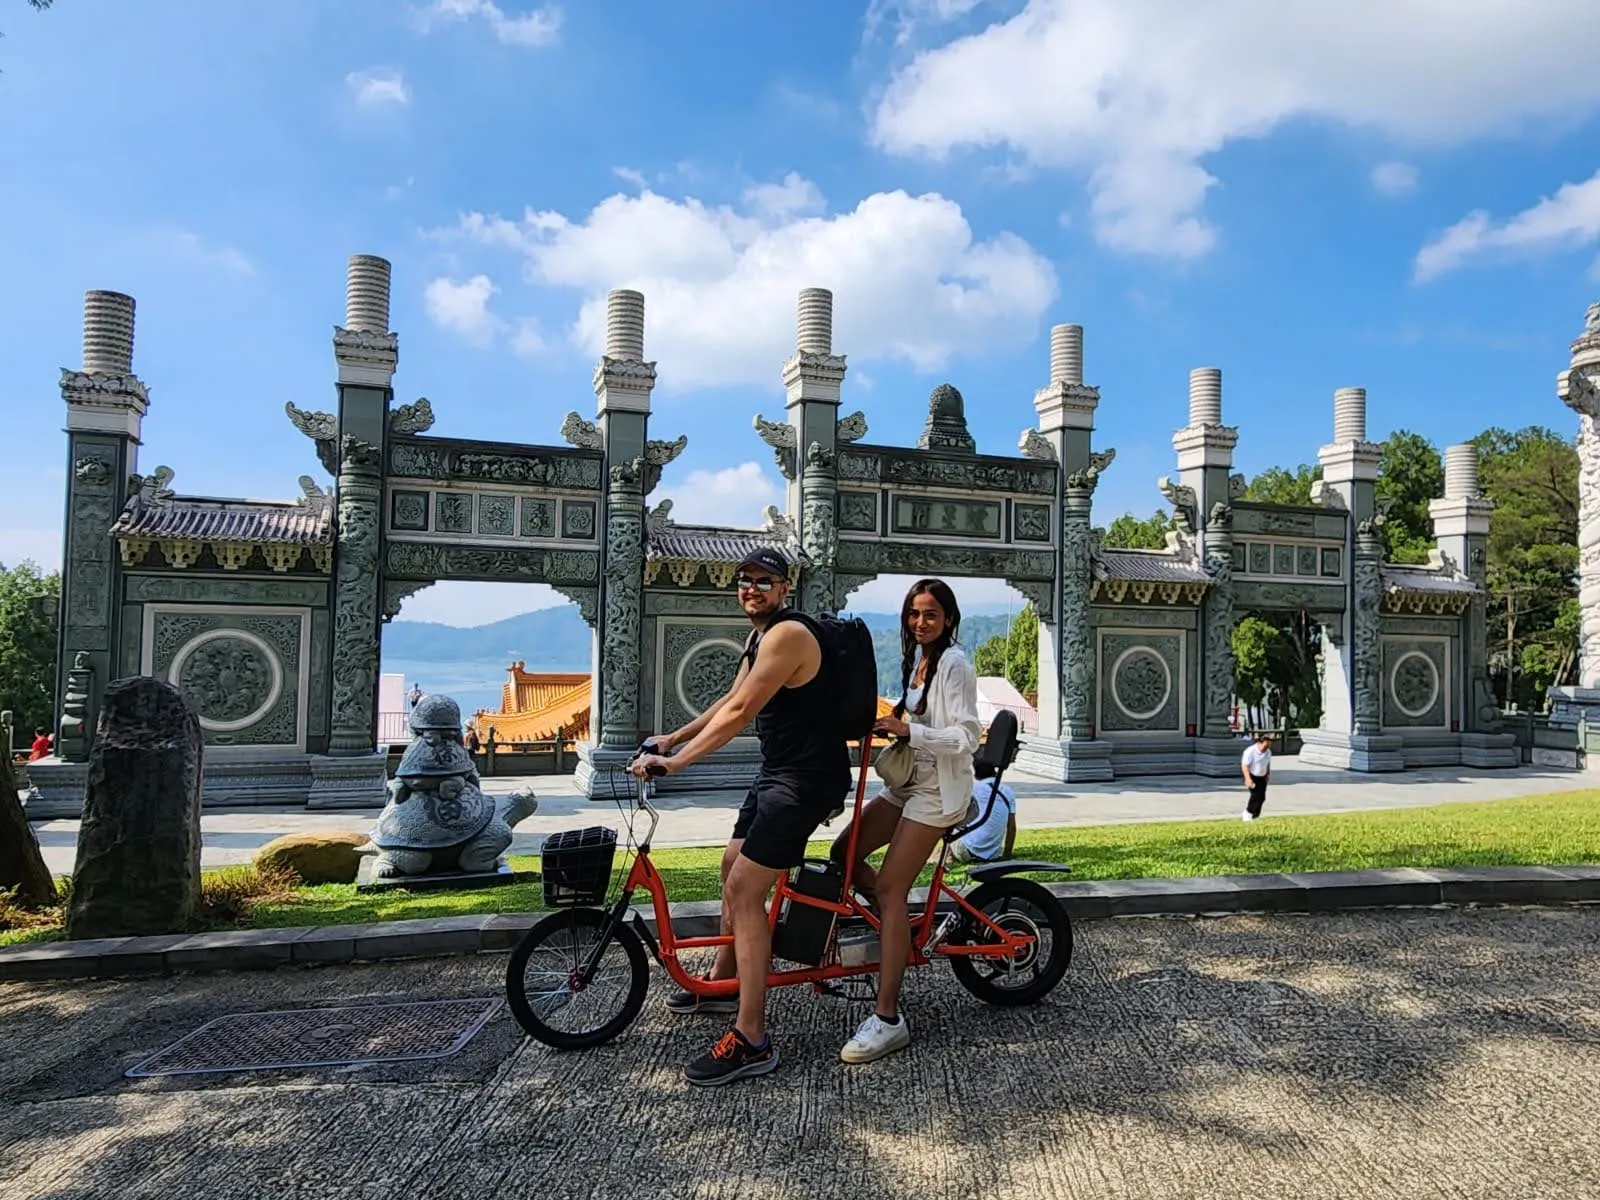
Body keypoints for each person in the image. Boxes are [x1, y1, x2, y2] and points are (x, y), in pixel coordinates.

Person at [632, 546, 851, 1087]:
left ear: (785, 588)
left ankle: (753, 1038)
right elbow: (730, 697)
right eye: (744, 579)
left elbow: (739, 713)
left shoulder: (790, 635)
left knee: (748, 889)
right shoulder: (759, 637)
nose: (751, 588)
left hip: (806, 780)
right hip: (777, 772)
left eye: (763, 580)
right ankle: (724, 985)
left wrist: (676, 763)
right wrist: (672, 736)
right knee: (730, 866)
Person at [830, 578, 980, 1065]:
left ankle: (889, 1017)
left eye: (931, 614)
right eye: (914, 614)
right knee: (843, 854)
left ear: (949, 619)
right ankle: (898, 932)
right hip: (908, 784)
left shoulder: (954, 664)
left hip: (938, 793)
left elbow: (966, 737)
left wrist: (907, 730)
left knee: (892, 890)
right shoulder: (921, 660)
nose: (921, 622)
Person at [951, 761, 1016, 864]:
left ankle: (947, 857)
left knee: (947, 824)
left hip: (968, 851)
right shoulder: (1008, 791)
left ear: (975, 776)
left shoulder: (973, 788)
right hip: (992, 855)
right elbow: (1011, 828)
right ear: (994, 774)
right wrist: (1007, 855)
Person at [1241, 731, 1272, 821]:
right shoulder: (1250, 751)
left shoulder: (1268, 751)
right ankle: (1248, 813)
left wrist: (1268, 774)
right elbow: (1245, 766)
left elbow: (1267, 763)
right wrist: (1247, 779)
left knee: (1262, 797)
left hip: (1262, 776)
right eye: (1265, 746)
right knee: (1255, 795)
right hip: (1252, 775)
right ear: (1259, 742)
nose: (1266, 748)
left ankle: (1255, 815)